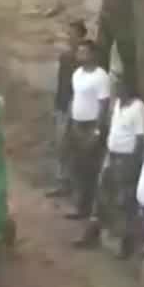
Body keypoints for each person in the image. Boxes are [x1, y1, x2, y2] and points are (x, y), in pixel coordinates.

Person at [78, 74, 144, 256]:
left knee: (123, 200)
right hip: (112, 154)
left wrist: (134, 164)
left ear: (129, 88)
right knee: (101, 194)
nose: (117, 89)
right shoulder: (117, 104)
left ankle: (125, 243)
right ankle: (93, 233)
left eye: (120, 86)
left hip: (126, 159)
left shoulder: (138, 107)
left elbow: (140, 139)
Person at [63, 40, 110, 227]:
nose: (79, 55)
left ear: (93, 55)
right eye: (79, 51)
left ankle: (92, 209)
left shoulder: (100, 76)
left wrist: (98, 130)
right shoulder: (77, 74)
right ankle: (80, 205)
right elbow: (74, 98)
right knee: (77, 166)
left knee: (91, 167)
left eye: (83, 52)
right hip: (77, 123)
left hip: (91, 125)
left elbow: (104, 104)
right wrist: (70, 121)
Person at [46, 20, 86, 198]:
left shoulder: (83, 59)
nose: (70, 37)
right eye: (69, 33)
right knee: (62, 146)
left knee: (74, 147)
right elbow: (61, 84)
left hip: (78, 108)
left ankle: (73, 184)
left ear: (80, 35)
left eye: (73, 33)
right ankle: (63, 182)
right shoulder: (66, 57)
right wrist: (57, 106)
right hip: (64, 105)